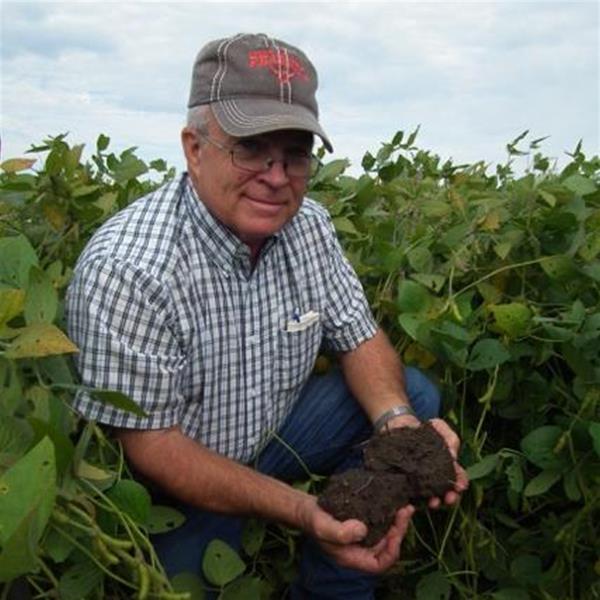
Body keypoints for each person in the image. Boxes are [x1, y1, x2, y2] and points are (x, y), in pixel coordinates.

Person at [66, 33, 468, 599]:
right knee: (178, 583)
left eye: (295, 153)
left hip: (274, 431)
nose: (277, 177)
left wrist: (400, 427)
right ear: (193, 148)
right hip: (178, 478)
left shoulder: (309, 226)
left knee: (414, 401)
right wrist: (305, 511)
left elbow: (359, 337)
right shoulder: (130, 267)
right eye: (251, 148)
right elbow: (155, 448)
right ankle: (305, 526)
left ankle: (336, 578)